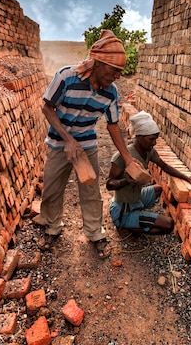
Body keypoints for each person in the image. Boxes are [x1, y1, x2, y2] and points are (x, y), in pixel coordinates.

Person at [39, 29, 136, 259]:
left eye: (120, 72)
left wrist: (129, 158)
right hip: (58, 143)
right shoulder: (66, 77)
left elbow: (113, 126)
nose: (118, 77)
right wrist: (68, 140)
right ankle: (52, 228)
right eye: (115, 70)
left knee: (91, 191)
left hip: (88, 144)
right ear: (99, 63)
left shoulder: (111, 93)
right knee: (52, 189)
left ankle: (95, 233)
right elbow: (47, 107)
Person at [106, 111, 191, 235]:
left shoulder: (148, 152)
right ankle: (125, 226)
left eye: (156, 139)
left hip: (136, 199)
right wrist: (126, 181)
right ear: (139, 137)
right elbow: (109, 184)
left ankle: (138, 217)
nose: (154, 143)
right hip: (123, 209)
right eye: (151, 139)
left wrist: (189, 179)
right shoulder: (122, 157)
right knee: (168, 225)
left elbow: (165, 167)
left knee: (157, 189)